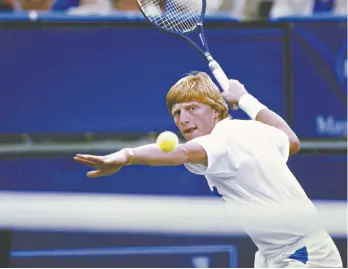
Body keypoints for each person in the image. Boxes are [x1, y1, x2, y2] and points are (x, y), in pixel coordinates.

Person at [74, 72, 343, 268]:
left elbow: (178, 153)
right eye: (177, 113)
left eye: (192, 108)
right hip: (275, 255)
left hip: (305, 255)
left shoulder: (221, 140)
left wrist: (125, 156)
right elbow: (292, 141)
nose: (184, 119)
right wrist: (246, 99)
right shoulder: (253, 129)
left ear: (216, 111)